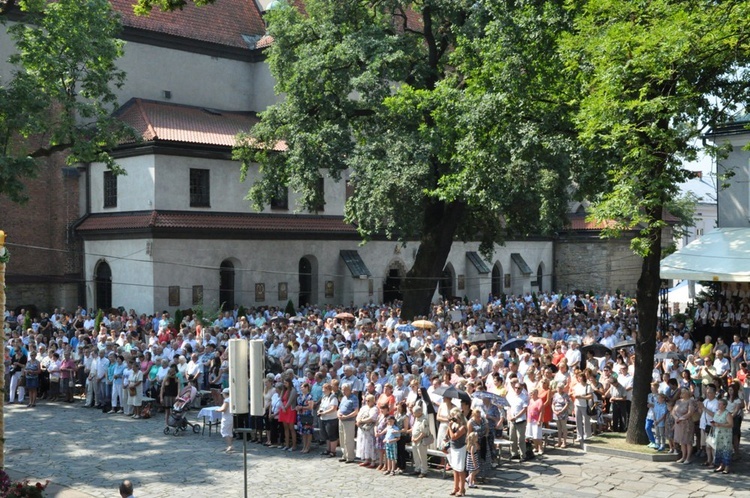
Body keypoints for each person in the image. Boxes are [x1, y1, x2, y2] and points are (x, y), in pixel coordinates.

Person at [446, 407, 467, 497]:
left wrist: (450, 427)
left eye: (456, 418)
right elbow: (448, 435)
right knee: (455, 469)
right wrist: (449, 426)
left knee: (460, 470)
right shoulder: (454, 425)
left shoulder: (463, 427)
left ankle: (462, 489)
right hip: (453, 448)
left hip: (460, 449)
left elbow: (454, 436)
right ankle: (455, 488)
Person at [709, 398, 733, 474]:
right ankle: (721, 465)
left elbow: (731, 424)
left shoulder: (727, 414)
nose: (718, 405)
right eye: (718, 404)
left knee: (726, 450)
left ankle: (727, 467)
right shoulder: (717, 412)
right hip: (718, 434)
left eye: (720, 404)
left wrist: (720, 425)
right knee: (719, 450)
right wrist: (713, 424)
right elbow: (715, 421)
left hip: (726, 435)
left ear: (724, 406)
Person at [337, 382, 359, 463]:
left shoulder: (354, 398)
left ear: (349, 390)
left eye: (345, 390)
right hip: (341, 420)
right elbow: (339, 408)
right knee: (342, 438)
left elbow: (356, 411)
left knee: (348, 439)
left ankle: (350, 457)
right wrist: (338, 414)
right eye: (342, 390)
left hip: (349, 421)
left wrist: (347, 416)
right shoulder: (343, 398)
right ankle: (344, 455)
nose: (343, 391)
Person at [672, 388, 695, 464]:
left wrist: (681, 418)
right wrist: (676, 418)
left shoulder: (690, 401)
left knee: (688, 441)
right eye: (681, 392)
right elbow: (673, 411)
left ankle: (688, 458)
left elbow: (690, 412)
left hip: (687, 423)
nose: (682, 394)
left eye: (684, 392)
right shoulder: (678, 401)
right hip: (679, 423)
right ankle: (683, 457)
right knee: (682, 441)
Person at [355, 394, 378, 467]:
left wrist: (361, 421)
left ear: (373, 401)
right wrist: (358, 420)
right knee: (363, 444)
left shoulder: (375, 408)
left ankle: (373, 461)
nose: (367, 402)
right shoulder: (363, 407)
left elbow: (371, 418)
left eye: (368, 401)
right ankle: (366, 459)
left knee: (370, 444)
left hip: (369, 429)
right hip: (362, 429)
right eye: (366, 400)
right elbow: (358, 415)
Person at [317, 383, 339, 457]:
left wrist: (324, 412)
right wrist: (319, 411)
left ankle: (333, 451)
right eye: (322, 389)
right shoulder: (324, 397)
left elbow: (333, 408)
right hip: (323, 418)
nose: (323, 390)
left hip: (331, 419)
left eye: (324, 389)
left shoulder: (333, 397)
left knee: (332, 435)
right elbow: (321, 406)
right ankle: (328, 449)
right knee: (326, 435)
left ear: (329, 389)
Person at [410, 402, 431, 478]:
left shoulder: (424, 420)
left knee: (422, 456)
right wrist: (413, 437)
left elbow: (424, 432)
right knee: (416, 456)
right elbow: (414, 428)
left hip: (421, 441)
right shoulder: (417, 418)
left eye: (414, 413)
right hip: (414, 440)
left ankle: (424, 471)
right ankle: (417, 469)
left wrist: (417, 438)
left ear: (419, 412)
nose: (413, 414)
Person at [296, 382, 315, 453]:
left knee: (308, 432)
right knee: (303, 432)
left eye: (302, 387)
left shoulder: (310, 396)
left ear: (307, 388)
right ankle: (304, 446)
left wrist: (302, 407)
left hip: (307, 416)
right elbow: (298, 404)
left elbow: (310, 407)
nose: (301, 389)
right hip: (300, 416)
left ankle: (308, 447)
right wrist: (297, 407)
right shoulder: (300, 396)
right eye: (301, 387)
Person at [551, 381, 570, 448]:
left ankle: (564, 442)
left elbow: (567, 404)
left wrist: (561, 411)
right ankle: (559, 441)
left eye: (561, 388)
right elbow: (553, 404)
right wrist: (554, 410)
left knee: (563, 427)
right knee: (558, 428)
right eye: (558, 388)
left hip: (563, 413)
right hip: (556, 413)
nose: (559, 389)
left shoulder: (565, 395)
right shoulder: (555, 395)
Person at [216, 388, 234, 453]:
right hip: (230, 417)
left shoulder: (227, 400)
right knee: (229, 432)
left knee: (224, 431)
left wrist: (217, 410)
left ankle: (230, 445)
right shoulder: (231, 399)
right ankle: (230, 445)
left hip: (226, 417)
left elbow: (224, 409)